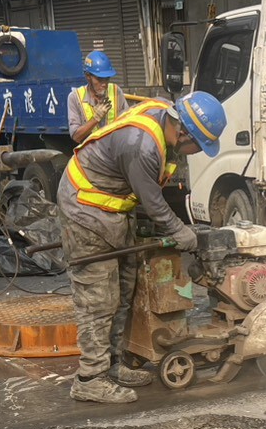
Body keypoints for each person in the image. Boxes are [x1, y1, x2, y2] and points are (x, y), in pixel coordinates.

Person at [56, 91, 226, 404]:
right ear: (184, 132)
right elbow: (155, 205)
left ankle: (114, 364)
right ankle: (90, 379)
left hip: (112, 210)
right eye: (196, 146)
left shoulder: (163, 116)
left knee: (124, 289)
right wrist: (182, 234)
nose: (193, 153)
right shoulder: (142, 146)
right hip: (84, 207)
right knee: (98, 298)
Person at [68, 50, 124, 145]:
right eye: (100, 79)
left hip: (114, 152)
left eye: (107, 79)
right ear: (88, 76)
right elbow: (76, 136)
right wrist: (95, 118)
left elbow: (127, 124)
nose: (104, 84)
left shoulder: (116, 91)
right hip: (91, 155)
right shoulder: (75, 98)